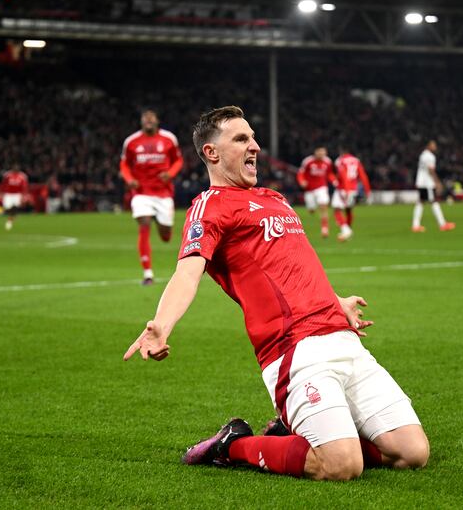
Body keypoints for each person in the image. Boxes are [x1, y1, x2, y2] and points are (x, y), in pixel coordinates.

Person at [124, 106, 429, 481]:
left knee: (413, 453)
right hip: (294, 349)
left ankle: (298, 436)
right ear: (211, 153)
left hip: (343, 338)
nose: (254, 146)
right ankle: (231, 445)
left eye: (253, 137)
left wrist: (335, 301)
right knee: (341, 466)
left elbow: (294, 263)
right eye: (241, 139)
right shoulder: (209, 206)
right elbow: (187, 273)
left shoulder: (275, 198)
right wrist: (162, 325)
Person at [119, 109, 184, 285]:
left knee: (166, 236)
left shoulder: (169, 139)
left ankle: (159, 220)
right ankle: (148, 274)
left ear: (157, 120)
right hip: (141, 193)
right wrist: (129, 179)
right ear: (141, 122)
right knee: (144, 224)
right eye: (145, 118)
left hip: (163, 193)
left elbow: (178, 160)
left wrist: (170, 174)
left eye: (151, 117)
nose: (148, 120)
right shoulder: (131, 142)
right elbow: (124, 164)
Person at [411, 140, 455, 233]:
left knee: (421, 202)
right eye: (433, 145)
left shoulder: (422, 155)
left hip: (420, 181)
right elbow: (431, 170)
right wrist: (437, 182)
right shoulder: (430, 156)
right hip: (427, 183)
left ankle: (415, 225)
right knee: (433, 201)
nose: (435, 147)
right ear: (429, 145)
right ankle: (442, 224)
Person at [331, 149, 371, 242]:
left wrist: (345, 189)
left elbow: (342, 174)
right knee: (348, 209)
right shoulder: (356, 160)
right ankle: (347, 231)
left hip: (343, 188)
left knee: (337, 209)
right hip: (353, 188)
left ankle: (346, 230)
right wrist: (367, 190)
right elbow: (363, 175)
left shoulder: (340, 160)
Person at [297, 147, 337, 238]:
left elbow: (329, 173)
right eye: (320, 152)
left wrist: (334, 181)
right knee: (311, 210)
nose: (322, 154)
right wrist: (301, 181)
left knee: (323, 206)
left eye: (324, 152)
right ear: (316, 152)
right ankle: (312, 209)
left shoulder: (328, 161)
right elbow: (301, 173)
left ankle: (325, 228)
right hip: (309, 190)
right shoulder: (308, 161)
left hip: (322, 188)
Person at [1, 164, 29, 230]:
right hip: (8, 194)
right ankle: (12, 216)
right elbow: (3, 184)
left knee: (15, 208)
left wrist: (24, 195)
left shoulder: (23, 176)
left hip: (17, 195)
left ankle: (10, 221)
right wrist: (2, 192)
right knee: (7, 208)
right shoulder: (7, 175)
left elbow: (24, 187)